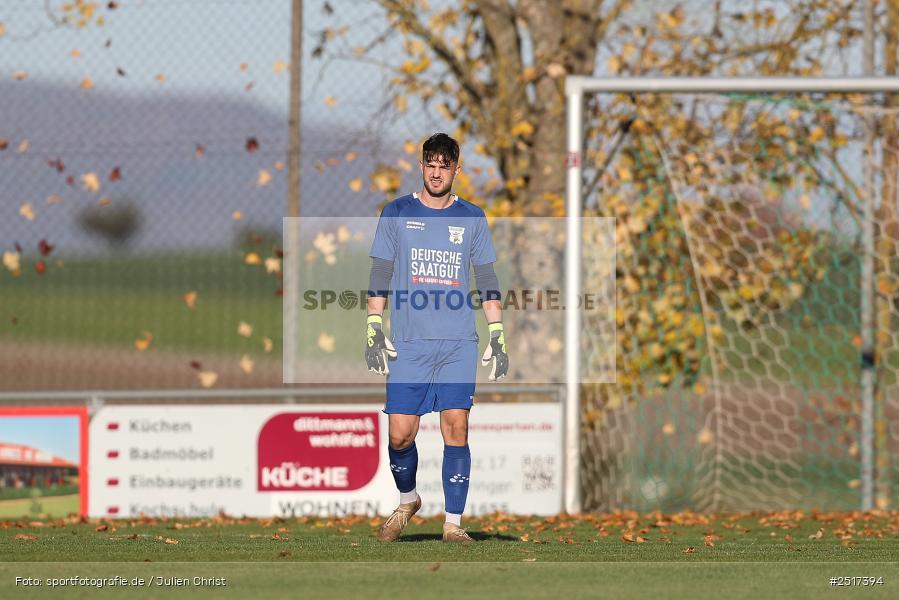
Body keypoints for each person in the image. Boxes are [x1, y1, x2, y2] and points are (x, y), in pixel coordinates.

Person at [366, 133, 508, 544]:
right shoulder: (397, 212)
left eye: (444, 166)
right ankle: (408, 500)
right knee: (400, 435)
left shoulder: (472, 217)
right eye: (430, 164)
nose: (436, 173)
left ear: (456, 171)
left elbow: (486, 277)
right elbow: (380, 272)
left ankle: (453, 523)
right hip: (409, 344)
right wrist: (373, 325)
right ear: (421, 166)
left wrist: (497, 333)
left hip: (457, 344)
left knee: (456, 427)